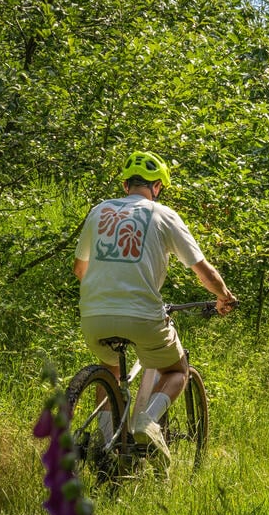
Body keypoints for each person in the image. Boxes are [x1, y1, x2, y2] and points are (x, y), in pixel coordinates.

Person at [73, 150, 237, 465]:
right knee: (176, 369)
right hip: (142, 316)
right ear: (157, 187)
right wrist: (223, 295)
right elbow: (202, 270)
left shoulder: (98, 212)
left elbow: (80, 270)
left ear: (125, 185)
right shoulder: (162, 214)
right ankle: (146, 423)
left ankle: (109, 450)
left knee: (110, 369)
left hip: (94, 317)